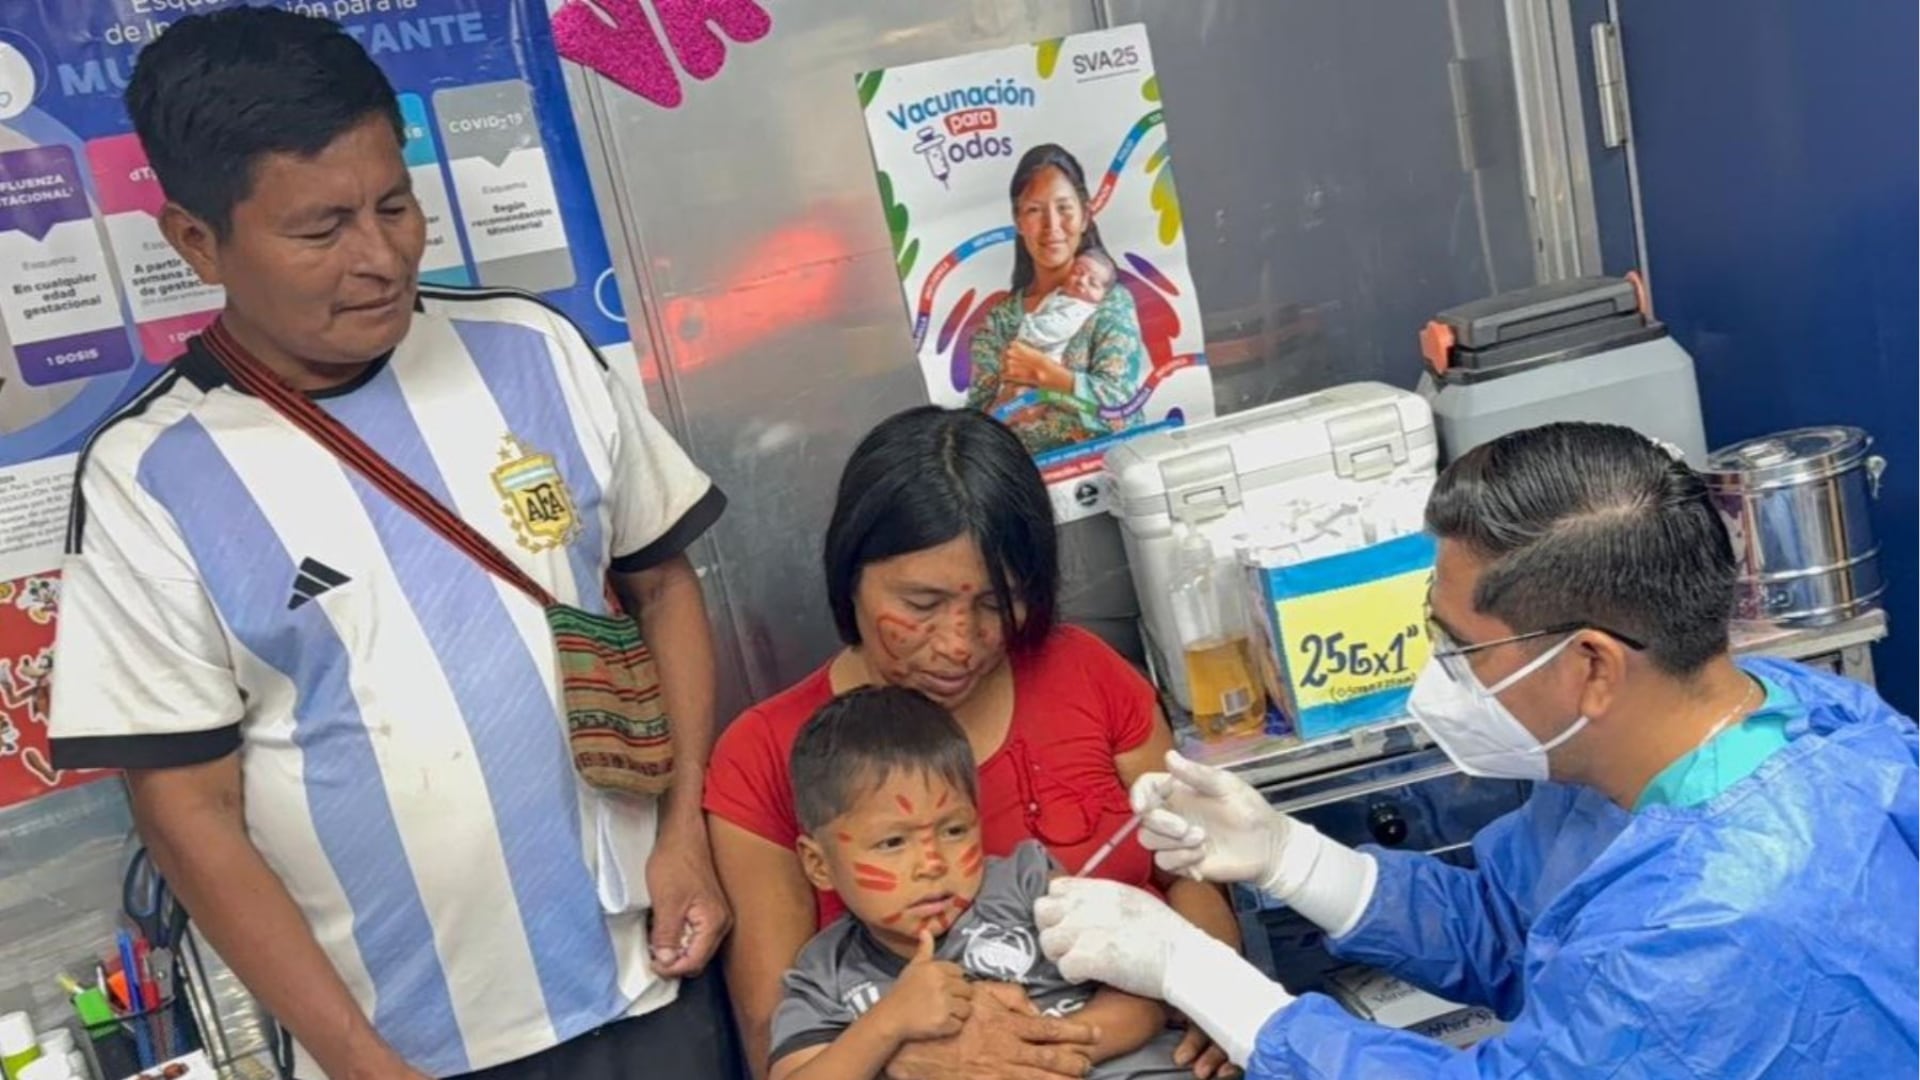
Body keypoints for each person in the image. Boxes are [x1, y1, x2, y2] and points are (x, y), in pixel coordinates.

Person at [48, 11, 737, 1079]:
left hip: (649, 976)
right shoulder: (151, 478)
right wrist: (358, 1060)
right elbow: (190, 814)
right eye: (321, 231)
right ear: (196, 241)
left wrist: (685, 830)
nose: (379, 258)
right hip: (412, 1053)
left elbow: (664, 585)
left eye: (394, 206)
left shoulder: (535, 351)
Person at [1034, 423, 1919, 1077]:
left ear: (1591, 668)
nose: (1439, 676)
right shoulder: (1764, 719)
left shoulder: (1710, 929)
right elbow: (1525, 932)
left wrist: (1196, 971)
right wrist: (1291, 858)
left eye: (1462, 647)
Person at [705, 406, 1242, 1080]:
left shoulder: (1088, 673)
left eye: (997, 603)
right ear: (850, 574)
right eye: (923, 604)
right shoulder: (763, 755)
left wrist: (1217, 995)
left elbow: (1189, 877)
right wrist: (909, 1055)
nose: (960, 644)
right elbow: (773, 1037)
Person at [769, 686, 1194, 1080]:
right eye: (893, 842)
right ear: (819, 864)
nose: (932, 864)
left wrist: (1038, 1046)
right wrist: (888, 1024)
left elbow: (1145, 994)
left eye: (954, 830)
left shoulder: (1028, 887)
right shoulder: (827, 976)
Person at [965, 145, 1148, 454]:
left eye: (1064, 207)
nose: (1052, 226)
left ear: (1086, 215)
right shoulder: (999, 322)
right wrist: (1007, 405)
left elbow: (1123, 411)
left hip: (1109, 478)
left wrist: (1045, 374)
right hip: (1028, 489)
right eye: (1035, 210)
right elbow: (977, 435)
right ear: (1019, 222)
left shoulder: (1110, 303)